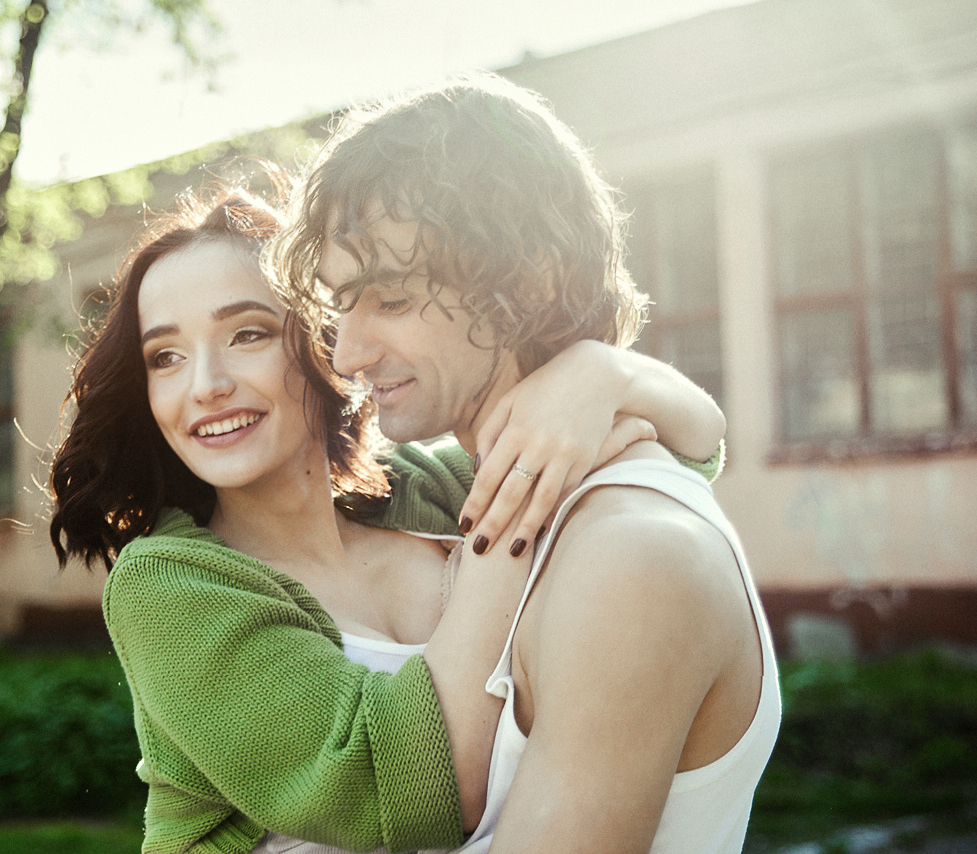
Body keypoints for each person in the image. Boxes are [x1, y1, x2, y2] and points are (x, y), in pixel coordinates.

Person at [47, 178, 726, 852]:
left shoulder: (424, 489)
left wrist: (604, 375)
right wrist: (517, 502)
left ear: (326, 338)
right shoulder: (169, 584)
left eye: (246, 334)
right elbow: (403, 788)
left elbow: (682, 453)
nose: (205, 385)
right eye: (165, 357)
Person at [273, 71, 780, 853]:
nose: (347, 354)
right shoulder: (510, 503)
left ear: (529, 279)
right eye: (342, 307)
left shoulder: (629, 555)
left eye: (393, 300)